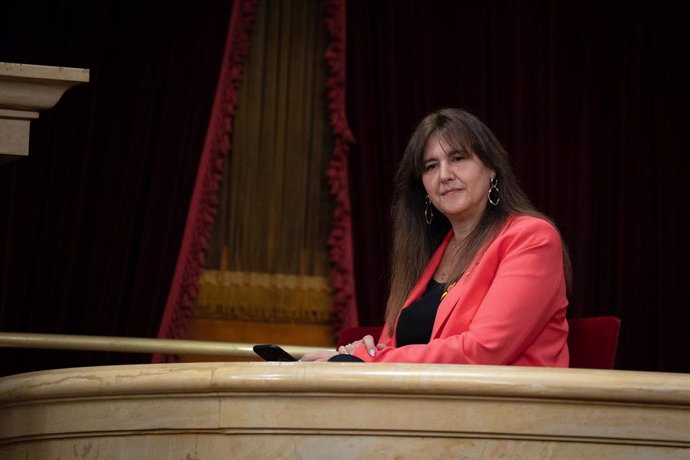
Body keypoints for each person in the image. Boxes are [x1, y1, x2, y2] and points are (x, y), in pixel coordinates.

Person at [301, 108, 572, 366]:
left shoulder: (532, 238)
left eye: (457, 158)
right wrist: (363, 352)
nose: (444, 175)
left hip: (504, 408)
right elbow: (392, 348)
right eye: (431, 166)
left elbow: (483, 350)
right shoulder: (432, 252)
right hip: (426, 405)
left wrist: (366, 360)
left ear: (492, 169)